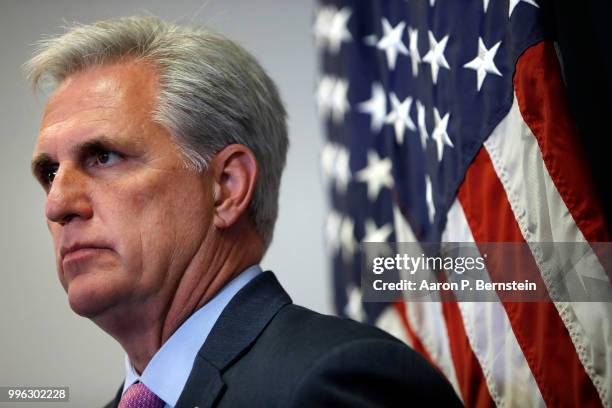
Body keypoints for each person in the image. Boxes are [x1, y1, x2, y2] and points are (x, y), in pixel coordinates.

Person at [26, 16, 461, 408]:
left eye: (103, 157)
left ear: (226, 188)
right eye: (49, 171)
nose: (57, 204)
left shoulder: (335, 383)